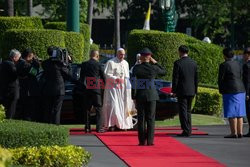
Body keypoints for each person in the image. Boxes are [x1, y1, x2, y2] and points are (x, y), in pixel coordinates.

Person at [132, 48, 166, 146]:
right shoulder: (153, 68)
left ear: (141, 57)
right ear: (149, 57)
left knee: (141, 118)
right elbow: (164, 71)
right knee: (151, 118)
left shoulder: (136, 68)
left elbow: (134, 84)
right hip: (152, 95)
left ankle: (142, 141)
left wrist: (133, 97)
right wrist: (155, 62)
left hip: (140, 95)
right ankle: (150, 141)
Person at [41, 47, 77, 125]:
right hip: (59, 90)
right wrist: (69, 63)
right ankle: (55, 126)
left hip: (47, 89)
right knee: (57, 110)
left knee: (48, 109)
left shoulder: (45, 63)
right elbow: (69, 75)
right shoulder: (59, 64)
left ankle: (47, 125)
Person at [102, 48, 135, 130]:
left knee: (124, 105)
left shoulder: (126, 63)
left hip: (123, 88)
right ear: (117, 54)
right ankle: (112, 124)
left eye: (124, 54)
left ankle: (123, 124)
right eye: (121, 54)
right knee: (113, 105)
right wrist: (115, 79)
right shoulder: (111, 62)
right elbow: (106, 75)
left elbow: (127, 76)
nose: (122, 56)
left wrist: (128, 87)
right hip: (113, 88)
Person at [218, 48, 246, 138]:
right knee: (239, 112)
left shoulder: (223, 65)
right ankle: (240, 132)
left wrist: (221, 89)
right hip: (241, 89)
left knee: (232, 112)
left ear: (224, 55)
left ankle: (233, 133)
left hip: (230, 90)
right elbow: (241, 75)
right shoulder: (238, 64)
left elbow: (220, 79)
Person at [171, 45, 198, 137]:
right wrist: (195, 90)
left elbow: (175, 78)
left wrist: (174, 90)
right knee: (188, 111)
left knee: (182, 111)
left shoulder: (178, 63)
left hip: (181, 90)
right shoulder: (193, 63)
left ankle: (186, 130)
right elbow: (196, 78)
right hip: (191, 90)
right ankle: (189, 129)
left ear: (180, 52)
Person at [77, 50, 105, 133]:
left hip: (87, 88)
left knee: (87, 108)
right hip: (96, 88)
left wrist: (82, 88)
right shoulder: (99, 64)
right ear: (97, 56)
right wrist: (104, 87)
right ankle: (99, 127)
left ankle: (87, 127)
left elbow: (82, 78)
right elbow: (103, 77)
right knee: (98, 108)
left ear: (90, 55)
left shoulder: (84, 64)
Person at [16, 48, 41, 121]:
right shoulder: (24, 64)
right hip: (28, 91)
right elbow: (35, 73)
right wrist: (36, 63)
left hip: (23, 90)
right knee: (29, 111)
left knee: (24, 110)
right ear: (29, 55)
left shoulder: (20, 62)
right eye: (32, 57)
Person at [0, 49, 21, 119]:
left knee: (4, 107)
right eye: (18, 57)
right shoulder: (10, 64)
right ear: (14, 57)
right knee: (11, 108)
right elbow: (16, 73)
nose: (19, 59)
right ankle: (9, 119)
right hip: (12, 90)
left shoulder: (3, 63)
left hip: (4, 89)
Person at [242, 47, 250, 137]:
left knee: (248, 111)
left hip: (248, 91)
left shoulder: (246, 65)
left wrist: (247, 93)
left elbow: (247, 81)